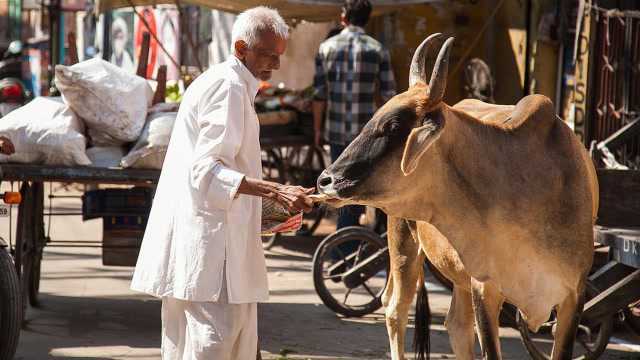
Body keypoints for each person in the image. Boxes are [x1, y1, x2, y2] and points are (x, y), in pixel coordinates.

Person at [130, 7, 314, 360]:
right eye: (268, 55)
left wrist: (273, 196)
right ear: (241, 48)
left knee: (206, 342)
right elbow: (206, 171)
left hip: (211, 245)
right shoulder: (228, 87)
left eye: (279, 57)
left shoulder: (230, 84)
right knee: (214, 343)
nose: (275, 66)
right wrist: (275, 190)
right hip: (213, 252)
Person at [312, 0, 396, 229]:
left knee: (340, 190)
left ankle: (343, 250)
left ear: (344, 18)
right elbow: (390, 97)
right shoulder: (378, 49)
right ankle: (356, 245)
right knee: (364, 188)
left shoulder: (326, 47)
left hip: (336, 131)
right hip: (366, 137)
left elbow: (319, 95)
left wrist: (317, 130)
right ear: (367, 19)